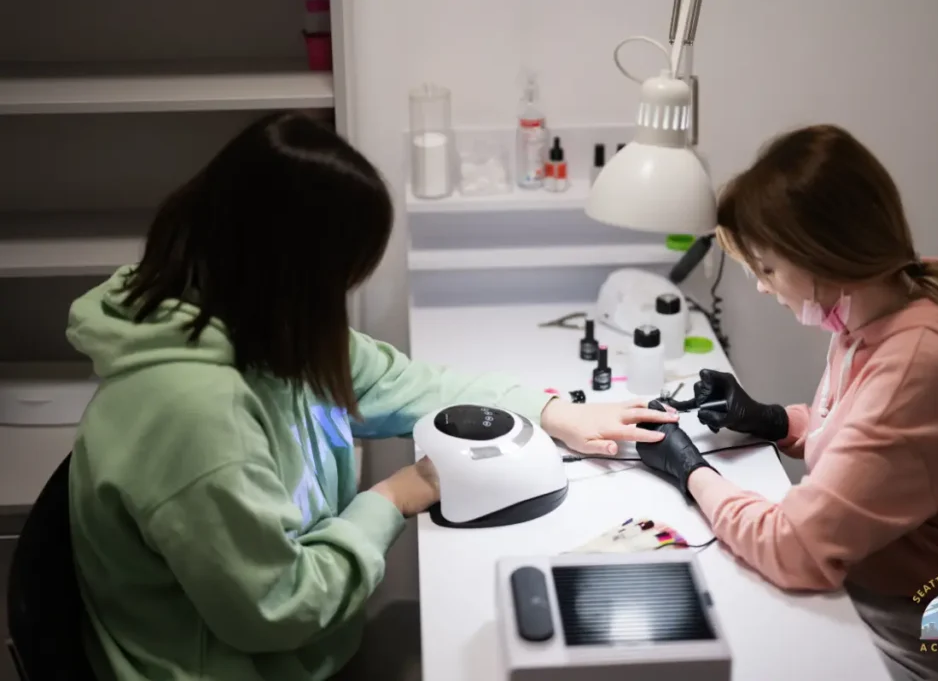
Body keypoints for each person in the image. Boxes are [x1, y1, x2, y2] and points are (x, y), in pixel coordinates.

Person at [65, 111, 678, 681]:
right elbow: (277, 608)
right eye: (338, 279)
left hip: (301, 647)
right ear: (294, 274)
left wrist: (550, 412)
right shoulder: (193, 416)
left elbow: (397, 384)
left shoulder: (245, 317)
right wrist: (392, 498)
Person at [635, 124, 938, 680]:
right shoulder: (892, 306)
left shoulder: (918, 365)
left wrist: (690, 471)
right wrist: (771, 421)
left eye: (767, 268)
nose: (763, 288)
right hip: (883, 592)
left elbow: (793, 549)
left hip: (930, 636)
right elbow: (871, 443)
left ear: (820, 258)